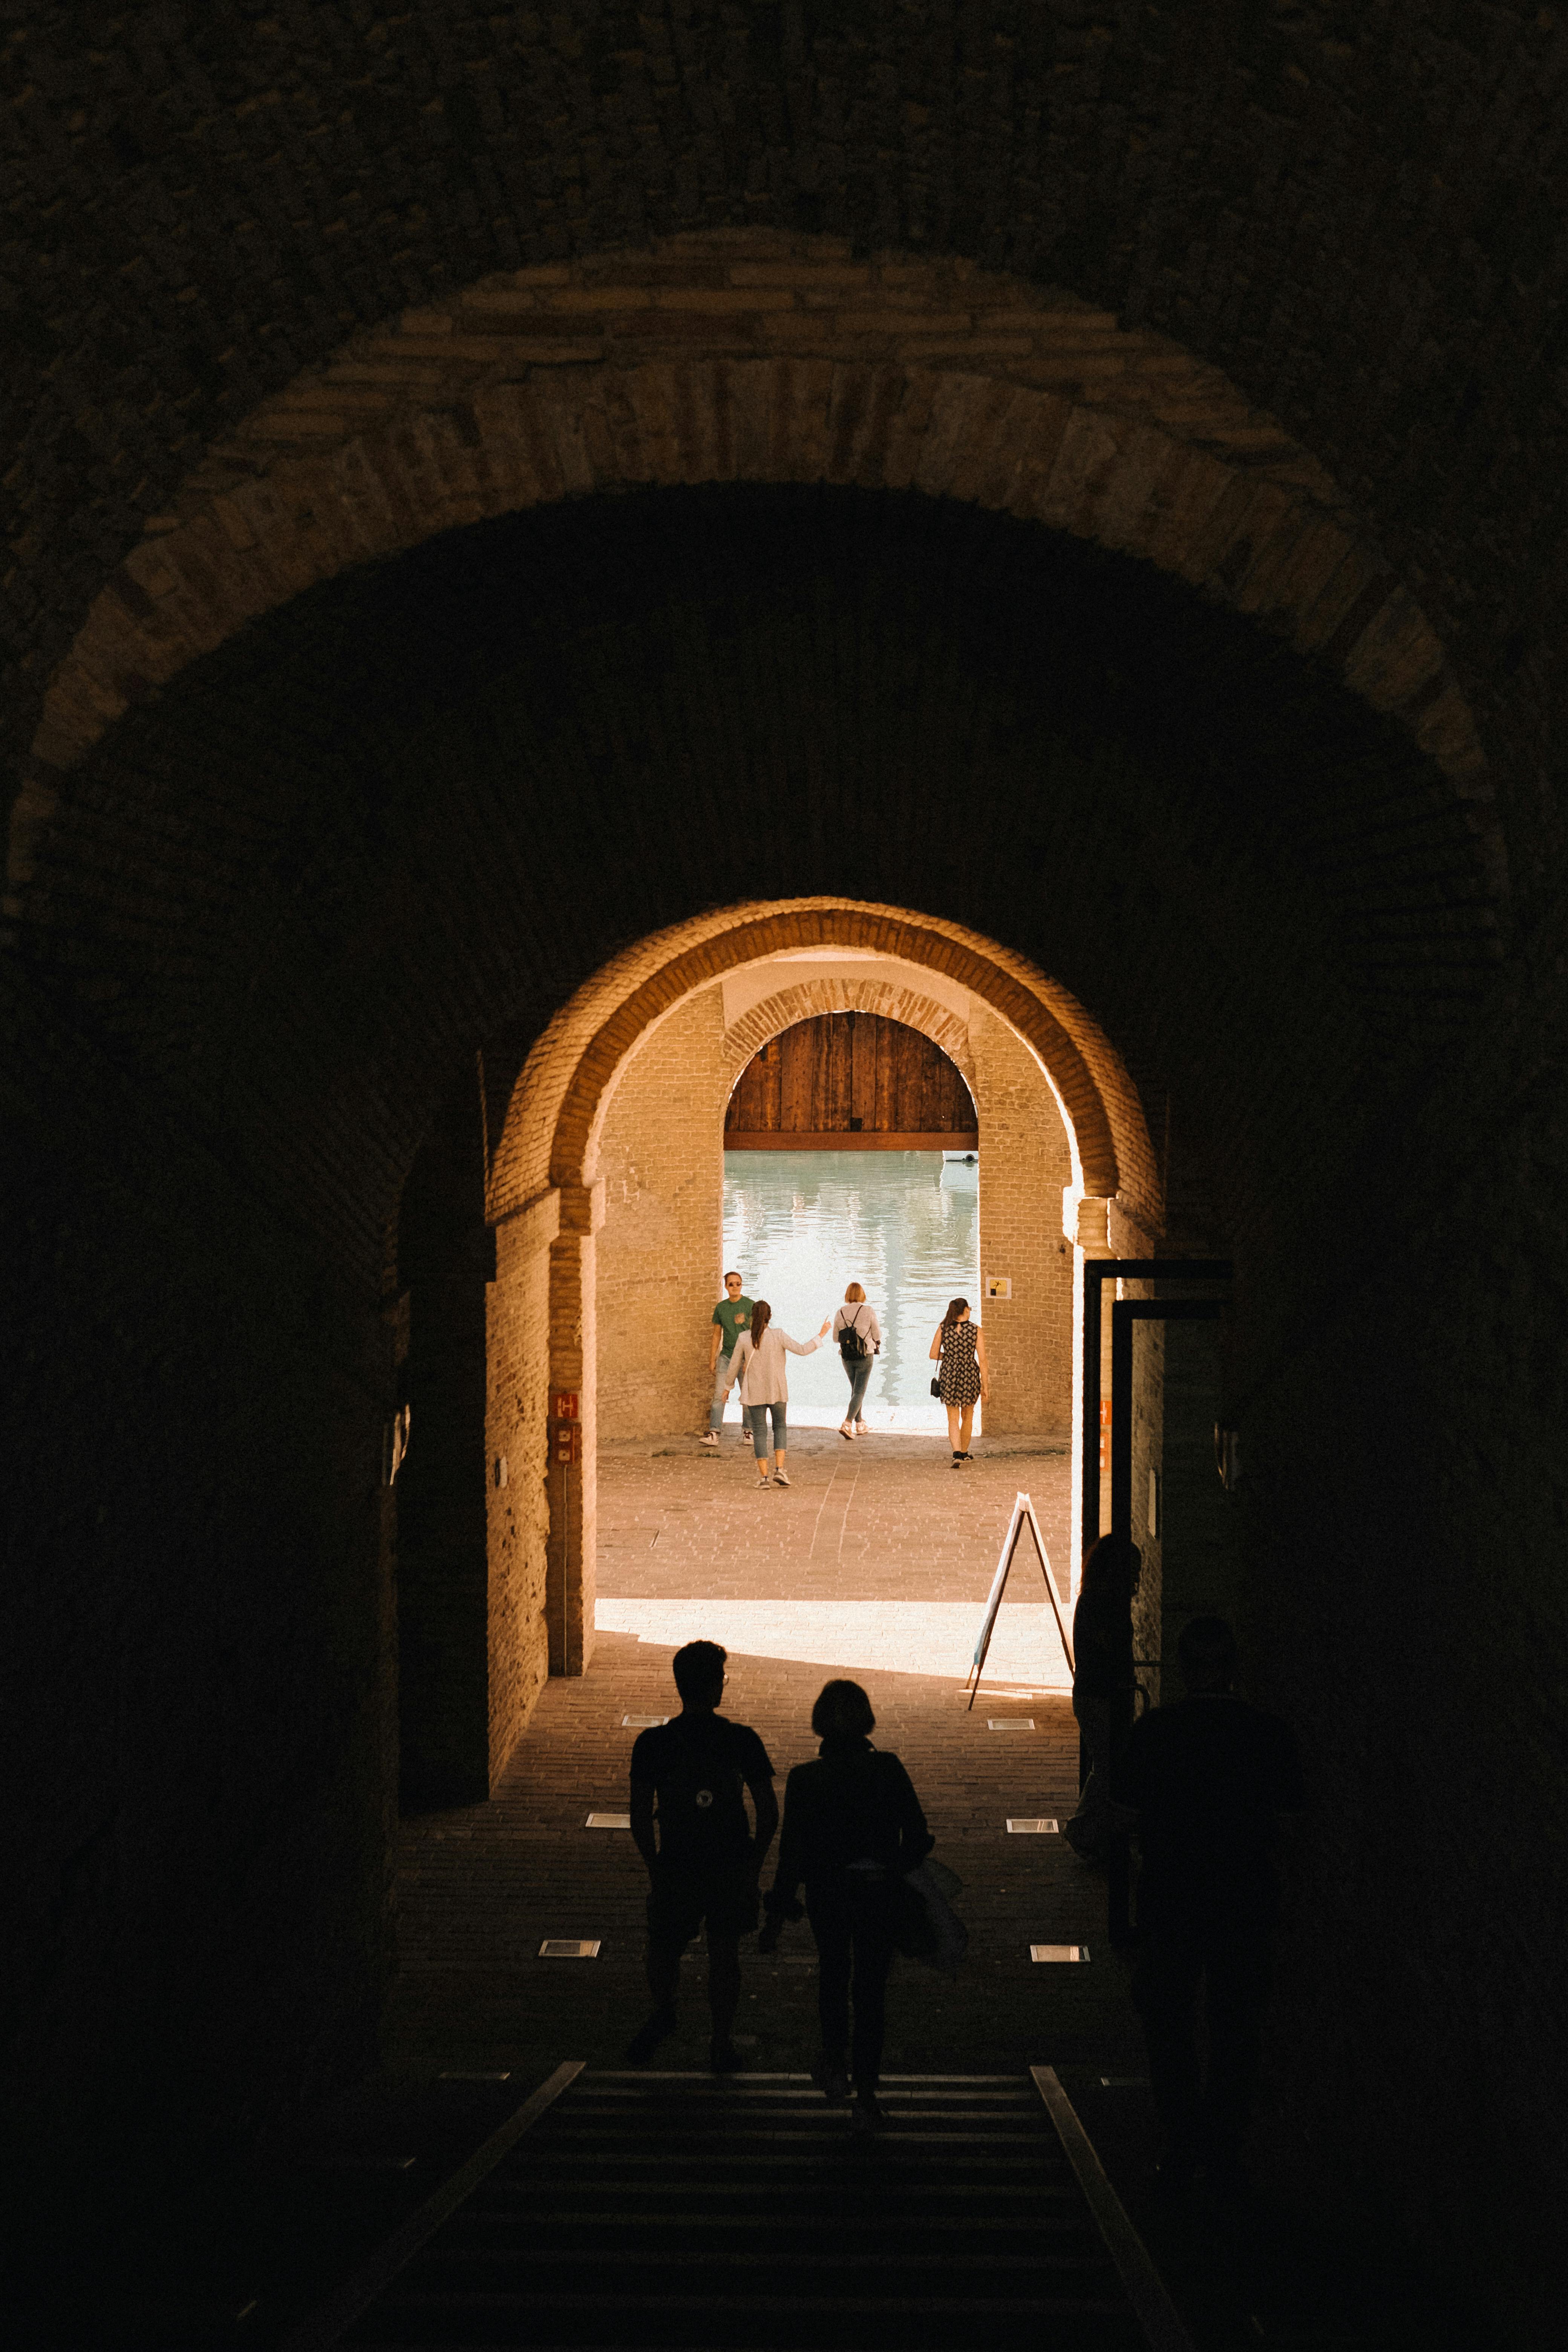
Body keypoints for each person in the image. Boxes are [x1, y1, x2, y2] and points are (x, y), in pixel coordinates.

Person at [1111, 1615, 1304, 2197]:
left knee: (1167, 2021)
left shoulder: (1154, 1734)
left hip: (1172, 1898)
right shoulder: (1269, 1735)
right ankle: (1224, 2146)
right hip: (1243, 1898)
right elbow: (1290, 1824)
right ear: (1234, 1668)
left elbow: (1122, 1819)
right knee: (1236, 2027)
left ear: (1184, 1669)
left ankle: (1181, 2138)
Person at [761, 1678, 933, 2132]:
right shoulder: (889, 1769)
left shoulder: (805, 1779)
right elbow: (918, 1837)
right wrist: (890, 1866)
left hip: (828, 1892)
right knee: (871, 1989)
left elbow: (792, 1855)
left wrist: (776, 1917)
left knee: (834, 1972)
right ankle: (868, 2092)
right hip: (877, 1892)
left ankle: (834, 2059)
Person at [626, 1639, 779, 2072]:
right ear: (715, 1686)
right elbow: (768, 1812)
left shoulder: (652, 1744)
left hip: (677, 1861)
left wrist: (654, 1866)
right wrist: (753, 1866)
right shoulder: (741, 1740)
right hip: (729, 1861)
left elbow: (640, 1815)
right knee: (725, 1954)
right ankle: (720, 2041)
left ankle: (666, 2010)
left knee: (663, 1946)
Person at [1063, 1534, 1142, 1865]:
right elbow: (1108, 1650)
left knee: (1105, 1765)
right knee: (1108, 1766)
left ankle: (1092, 1831)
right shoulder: (1102, 1604)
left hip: (1097, 1694)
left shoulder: (1095, 1600)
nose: (1137, 1579)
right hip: (1098, 1695)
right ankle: (1085, 1829)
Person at [722, 1298, 829, 1488]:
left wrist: (728, 1388)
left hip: (755, 1392)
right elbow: (803, 1350)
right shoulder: (779, 1335)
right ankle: (780, 1470)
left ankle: (764, 1479)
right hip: (778, 1390)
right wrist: (821, 1334)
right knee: (780, 1427)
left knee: (760, 1431)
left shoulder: (744, 1338)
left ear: (752, 1317)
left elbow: (734, 1365)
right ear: (770, 1317)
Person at [928, 1295, 988, 1464]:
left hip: (949, 1374)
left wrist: (950, 1357)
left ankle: (956, 1454)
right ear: (966, 1310)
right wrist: (986, 1385)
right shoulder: (976, 1330)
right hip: (970, 1374)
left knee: (953, 1418)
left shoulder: (943, 1328)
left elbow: (933, 1354)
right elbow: (983, 1359)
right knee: (968, 1416)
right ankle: (964, 1453)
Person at [702, 1269, 753, 1447]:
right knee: (719, 1396)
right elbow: (717, 1335)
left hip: (746, 1359)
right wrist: (712, 1359)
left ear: (742, 1285)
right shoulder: (721, 1308)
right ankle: (714, 1433)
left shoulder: (750, 1306)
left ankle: (748, 1431)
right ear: (726, 1287)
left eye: (738, 1284)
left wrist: (751, 1359)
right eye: (731, 1284)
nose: (735, 1287)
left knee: (747, 1397)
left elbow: (756, 1334)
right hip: (727, 1357)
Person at [832, 1281, 881, 1438]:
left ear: (848, 1295)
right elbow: (878, 1335)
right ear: (862, 1295)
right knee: (860, 1391)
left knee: (855, 1390)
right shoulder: (868, 1311)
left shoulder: (840, 1312)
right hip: (865, 1354)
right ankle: (847, 1424)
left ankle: (860, 1425)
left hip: (847, 1357)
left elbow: (835, 1338)